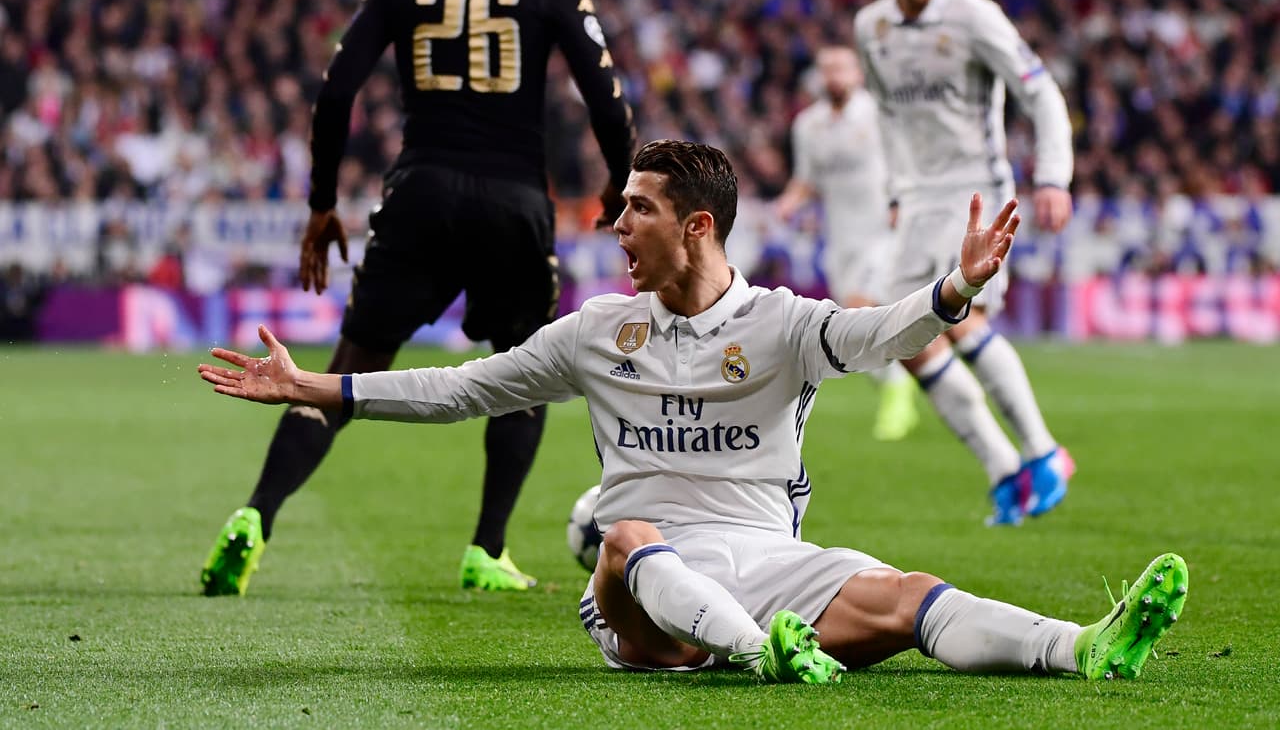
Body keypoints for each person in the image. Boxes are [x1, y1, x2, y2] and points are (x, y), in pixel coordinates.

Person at [199, 140, 1186, 684]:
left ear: (696, 225)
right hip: (644, 597)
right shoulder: (595, 330)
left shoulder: (786, 324)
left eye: (635, 208)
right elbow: (462, 386)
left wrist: (949, 293)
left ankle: (1081, 645)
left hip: (766, 561)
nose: (613, 223)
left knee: (907, 593)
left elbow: (882, 332)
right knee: (622, 535)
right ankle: (765, 657)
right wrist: (315, 386)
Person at [199, 0, 637, 596]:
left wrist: (319, 203)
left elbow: (336, 91)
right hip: (512, 198)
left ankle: (255, 513)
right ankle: (486, 548)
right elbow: (605, 93)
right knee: (525, 369)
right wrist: (622, 186)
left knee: (348, 366)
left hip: (420, 191)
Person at [853, 0, 1076, 526]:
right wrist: (897, 189)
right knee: (904, 336)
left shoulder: (975, 17)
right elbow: (890, 117)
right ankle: (1008, 469)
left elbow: (1041, 93)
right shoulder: (870, 27)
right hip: (917, 200)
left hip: (974, 193)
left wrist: (1053, 176)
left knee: (963, 317)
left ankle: (1043, 453)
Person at [776, 45, 919, 442]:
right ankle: (898, 379)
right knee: (851, 333)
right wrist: (788, 204)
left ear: (857, 74)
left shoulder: (876, 114)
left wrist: (899, 201)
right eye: (827, 69)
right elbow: (806, 179)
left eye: (841, 68)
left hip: (881, 234)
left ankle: (897, 390)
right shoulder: (808, 125)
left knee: (858, 310)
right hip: (839, 240)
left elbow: (905, 161)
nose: (834, 76)